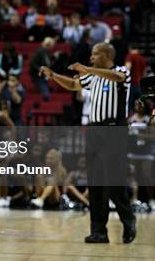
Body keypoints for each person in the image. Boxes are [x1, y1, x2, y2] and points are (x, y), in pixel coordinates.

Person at [40, 42, 136, 243]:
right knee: (96, 182)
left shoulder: (121, 71)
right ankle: (99, 231)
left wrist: (88, 70)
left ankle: (128, 219)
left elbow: (116, 77)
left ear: (107, 55)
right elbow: (75, 85)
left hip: (113, 130)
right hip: (94, 130)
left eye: (95, 54)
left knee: (113, 180)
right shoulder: (92, 76)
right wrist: (54, 76)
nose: (91, 57)